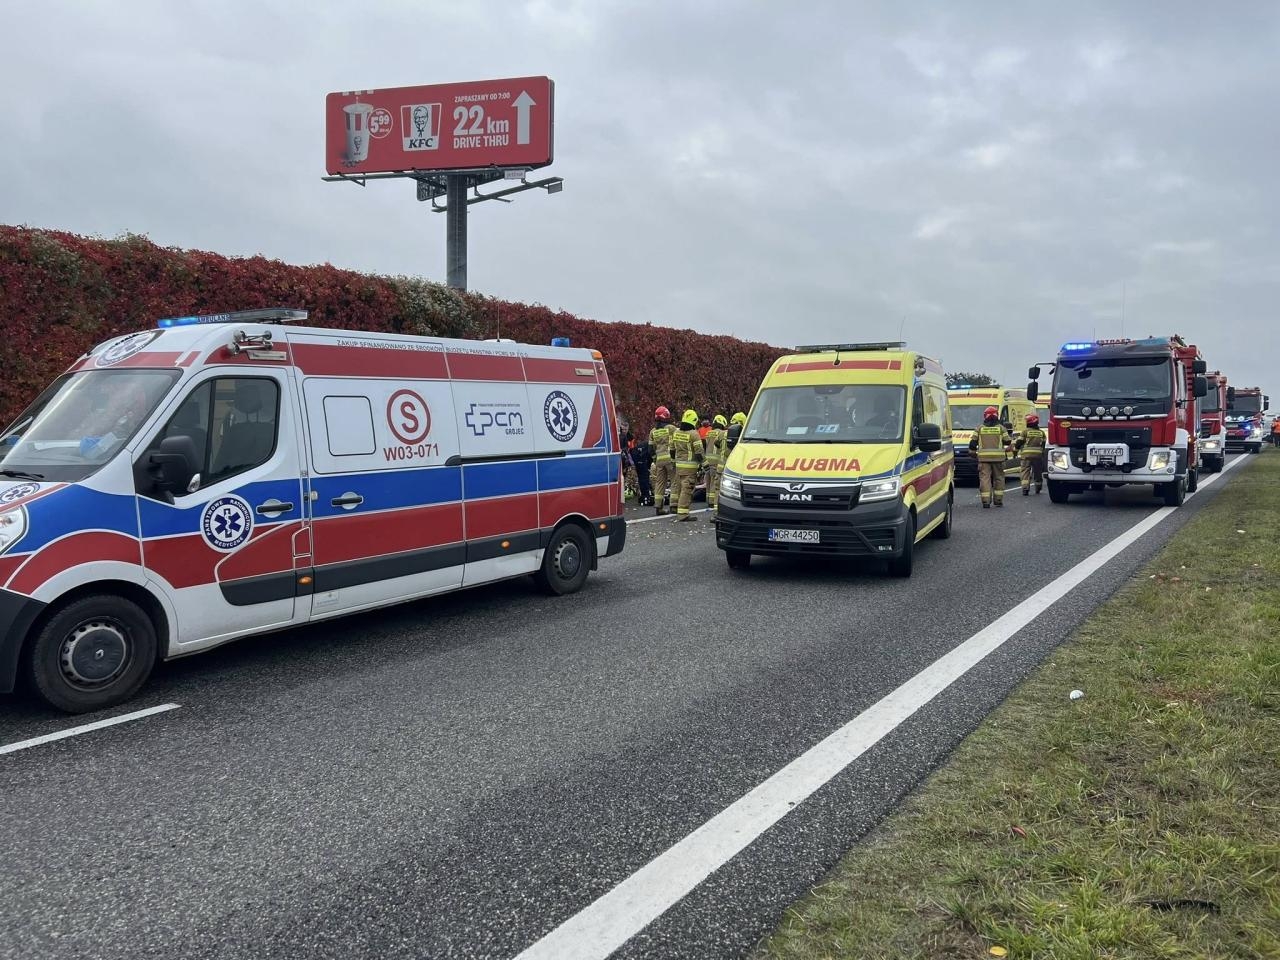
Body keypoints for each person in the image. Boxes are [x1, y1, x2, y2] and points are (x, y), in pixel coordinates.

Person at [969, 405, 1012, 508]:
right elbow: (1007, 441)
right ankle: (998, 500)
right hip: (999, 459)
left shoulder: (979, 428)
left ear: (985, 416)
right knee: (999, 478)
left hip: (984, 459)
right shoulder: (1001, 428)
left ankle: (986, 501)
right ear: (997, 416)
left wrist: (973, 453)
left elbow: (972, 444)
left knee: (985, 479)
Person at [670, 408, 704, 521]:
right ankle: (683, 514)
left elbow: (672, 450)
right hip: (690, 468)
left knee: (680, 488)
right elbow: (699, 453)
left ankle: (678, 510)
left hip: (679, 467)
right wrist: (706, 465)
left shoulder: (676, 432)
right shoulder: (694, 434)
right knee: (687, 490)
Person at [648, 406, 676, 516]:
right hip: (670, 459)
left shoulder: (653, 431)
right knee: (674, 482)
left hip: (659, 460)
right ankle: (673, 506)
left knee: (659, 484)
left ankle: (658, 508)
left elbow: (650, 449)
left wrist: (655, 459)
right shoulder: (672, 428)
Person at [1013, 412, 1047, 496]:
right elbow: (1043, 444)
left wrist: (1015, 451)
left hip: (1026, 456)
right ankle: (1038, 487)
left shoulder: (1025, 432)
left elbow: (1019, 442)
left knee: (1025, 471)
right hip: (1038, 456)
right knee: (1037, 472)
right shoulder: (1041, 433)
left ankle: (1025, 488)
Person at [704, 414, 728, 509]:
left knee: (708, 479)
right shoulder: (721, 433)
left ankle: (708, 499)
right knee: (715, 481)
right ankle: (712, 501)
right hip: (716, 459)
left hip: (707, 459)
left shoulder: (709, 432)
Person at [630, 433, 654, 505]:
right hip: (640, 459)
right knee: (644, 477)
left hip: (638, 457)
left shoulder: (646, 444)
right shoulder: (650, 446)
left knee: (643, 477)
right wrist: (648, 467)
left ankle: (645, 494)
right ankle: (646, 495)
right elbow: (650, 456)